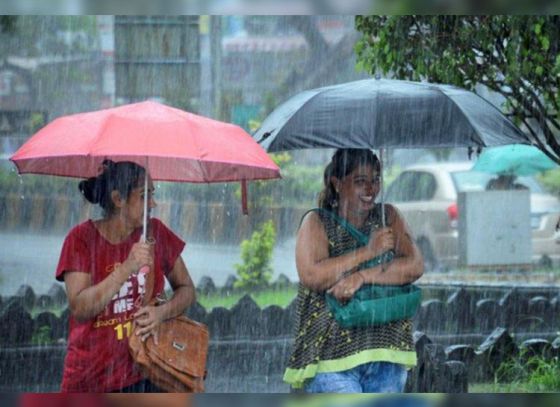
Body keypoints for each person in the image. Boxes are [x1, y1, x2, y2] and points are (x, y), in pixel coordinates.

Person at [283, 149, 424, 393]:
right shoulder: (316, 222)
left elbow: (414, 266)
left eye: (376, 180)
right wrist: (369, 251)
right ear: (337, 184)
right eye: (360, 181)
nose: (370, 190)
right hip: (332, 358)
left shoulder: (388, 216)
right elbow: (312, 276)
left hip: (386, 351)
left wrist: (362, 277)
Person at [55, 160, 196, 392]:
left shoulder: (155, 233)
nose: (153, 203)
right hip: (91, 379)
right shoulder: (80, 240)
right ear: (118, 199)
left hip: (147, 370)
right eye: (144, 195)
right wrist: (127, 267)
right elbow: (80, 308)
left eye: (152, 194)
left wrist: (160, 313)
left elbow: (187, 290)